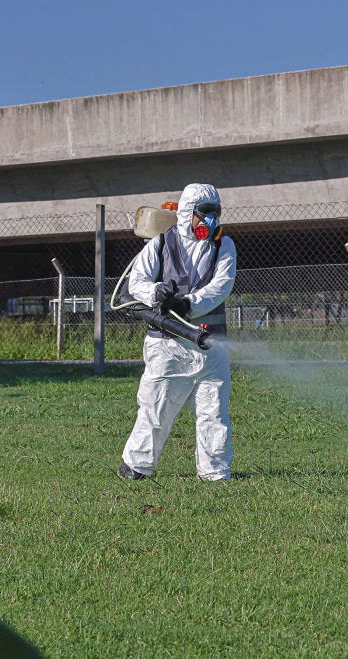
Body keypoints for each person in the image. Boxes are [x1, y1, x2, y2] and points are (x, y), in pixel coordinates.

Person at [118, 183, 237, 481]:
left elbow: (221, 286)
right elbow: (136, 283)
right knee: (156, 408)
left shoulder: (224, 246)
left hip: (211, 348)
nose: (210, 221)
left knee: (214, 413)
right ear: (187, 214)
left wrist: (188, 304)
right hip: (167, 346)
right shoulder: (160, 243)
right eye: (204, 213)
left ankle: (215, 472)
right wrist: (156, 293)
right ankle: (137, 467)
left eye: (215, 213)